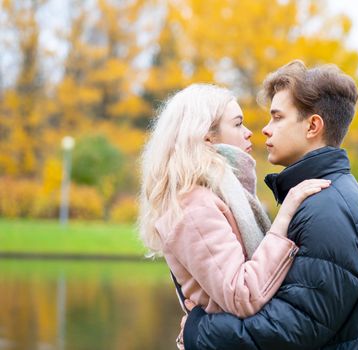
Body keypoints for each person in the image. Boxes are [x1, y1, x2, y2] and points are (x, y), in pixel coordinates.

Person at [181, 61, 358, 350]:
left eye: (277, 117)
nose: (264, 129)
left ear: (313, 126)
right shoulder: (323, 194)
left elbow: (293, 327)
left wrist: (200, 331)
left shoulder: (327, 208)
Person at [138, 84, 331, 345]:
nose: (250, 133)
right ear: (207, 137)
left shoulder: (220, 196)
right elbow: (241, 295)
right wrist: (283, 218)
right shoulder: (193, 206)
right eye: (238, 124)